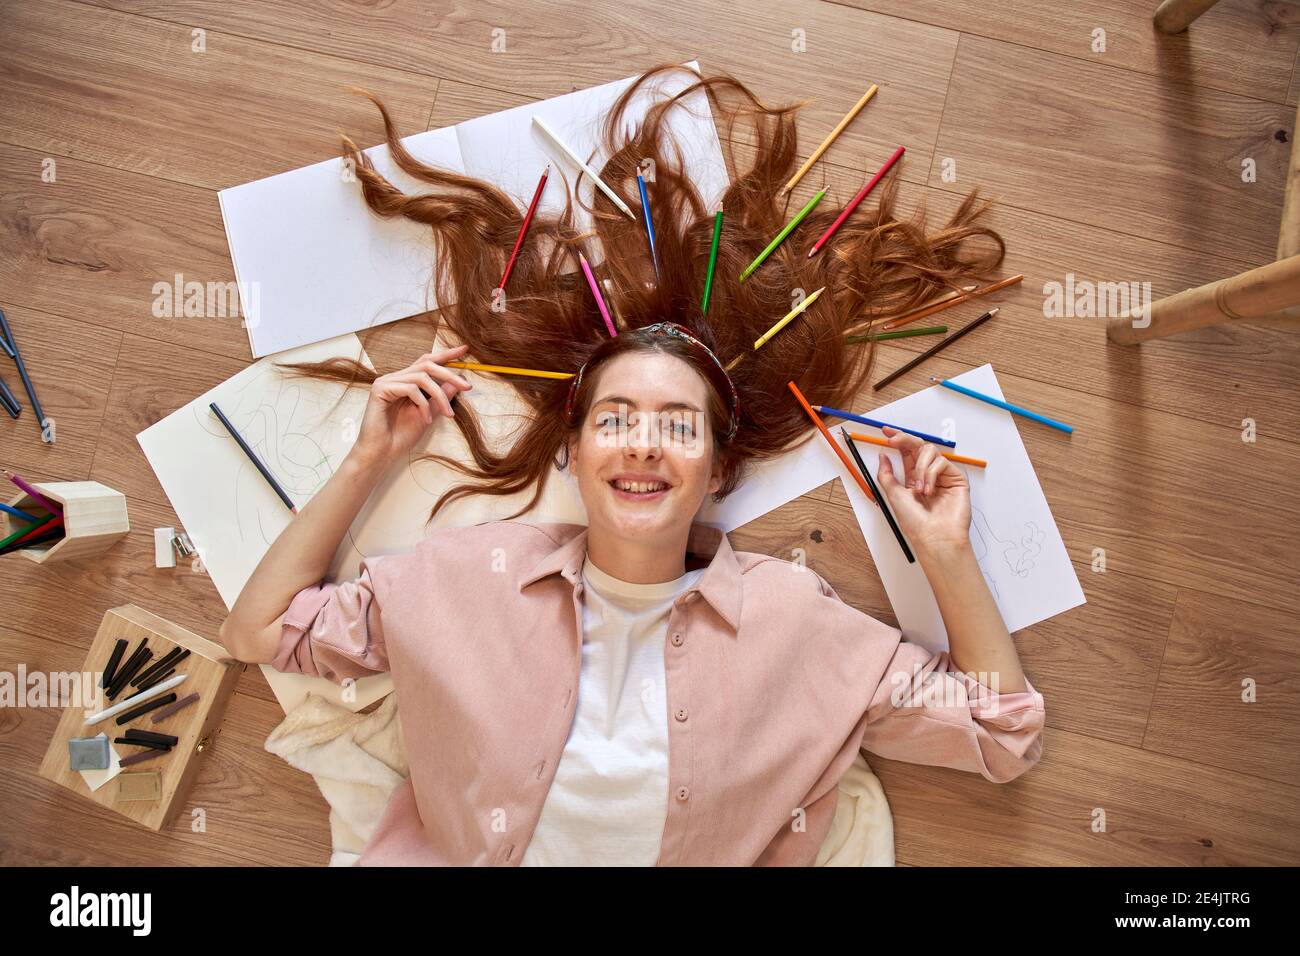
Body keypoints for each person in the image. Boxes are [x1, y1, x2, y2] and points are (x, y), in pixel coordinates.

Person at [218, 64, 1044, 865]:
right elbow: (256, 630)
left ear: (719, 470)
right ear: (572, 453)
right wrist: (371, 459)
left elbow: (1002, 734)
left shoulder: (798, 626)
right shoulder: (466, 577)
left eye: (680, 425)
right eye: (615, 419)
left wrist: (942, 551)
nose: (644, 442)